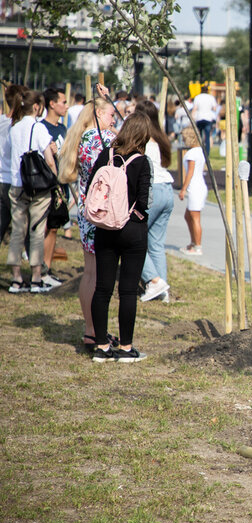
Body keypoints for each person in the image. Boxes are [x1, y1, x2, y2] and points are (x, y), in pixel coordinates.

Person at [88, 112, 153, 363]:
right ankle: (126, 348)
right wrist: (134, 217)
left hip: (105, 228)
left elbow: (91, 187)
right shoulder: (141, 161)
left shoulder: (107, 154)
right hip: (131, 229)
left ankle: (102, 346)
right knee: (127, 291)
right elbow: (145, 201)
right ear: (144, 135)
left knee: (102, 289)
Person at [58, 84, 118, 351]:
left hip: (87, 211)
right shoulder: (96, 137)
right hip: (98, 213)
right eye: (110, 116)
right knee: (96, 275)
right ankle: (94, 331)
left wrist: (106, 99)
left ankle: (92, 329)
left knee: (90, 273)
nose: (113, 120)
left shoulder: (84, 135)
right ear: (98, 116)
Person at [6, 88, 57, 293]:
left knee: (18, 230)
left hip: (17, 184)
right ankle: (36, 278)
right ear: (37, 107)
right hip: (38, 187)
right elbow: (49, 160)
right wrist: (55, 179)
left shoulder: (14, 127)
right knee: (37, 230)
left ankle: (16, 278)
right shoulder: (39, 129)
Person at [137, 100, 173, 302]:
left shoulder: (143, 142)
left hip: (152, 192)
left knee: (133, 240)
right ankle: (163, 291)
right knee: (156, 244)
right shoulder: (160, 139)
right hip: (167, 190)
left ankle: (153, 280)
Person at [40, 87, 69, 287]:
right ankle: (39, 269)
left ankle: (47, 269)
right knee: (42, 228)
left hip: (61, 184)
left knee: (53, 228)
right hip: (45, 183)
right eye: (63, 102)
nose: (66, 106)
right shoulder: (41, 127)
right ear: (52, 103)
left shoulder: (62, 128)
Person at [1, 84, 26, 246]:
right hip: (15, 179)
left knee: (2, 222)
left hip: (1, 177)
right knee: (22, 225)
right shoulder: (20, 126)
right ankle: (30, 262)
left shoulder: (2, 121)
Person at [178, 126, 207, 256]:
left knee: (195, 218)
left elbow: (190, 172)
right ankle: (193, 243)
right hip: (200, 186)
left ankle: (198, 246)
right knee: (188, 216)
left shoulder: (191, 154)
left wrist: (183, 189)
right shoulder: (200, 151)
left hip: (195, 188)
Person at [192, 85, 217, 156]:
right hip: (208, 118)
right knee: (207, 137)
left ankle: (198, 151)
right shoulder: (211, 98)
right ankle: (207, 153)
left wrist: (192, 117)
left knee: (198, 137)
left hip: (199, 118)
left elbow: (195, 108)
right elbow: (214, 108)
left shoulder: (197, 97)